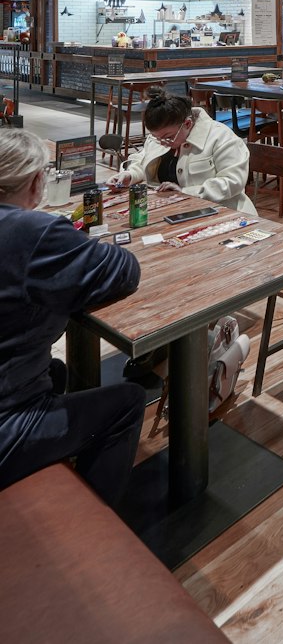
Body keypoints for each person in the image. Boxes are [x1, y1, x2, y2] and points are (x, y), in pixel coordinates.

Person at [0, 131, 144, 506]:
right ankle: (93, 523)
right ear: (35, 181)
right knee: (128, 401)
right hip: (6, 422)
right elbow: (124, 269)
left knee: (58, 372)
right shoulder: (31, 232)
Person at [111, 88, 255, 215]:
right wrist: (130, 175)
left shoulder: (221, 138)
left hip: (223, 214)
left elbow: (232, 182)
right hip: (174, 211)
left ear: (187, 123)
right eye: (156, 137)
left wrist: (186, 192)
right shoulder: (162, 135)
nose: (161, 142)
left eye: (168, 137)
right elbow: (142, 159)